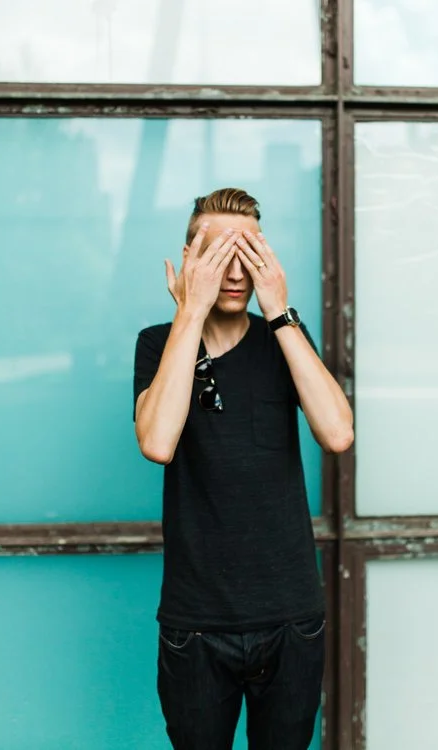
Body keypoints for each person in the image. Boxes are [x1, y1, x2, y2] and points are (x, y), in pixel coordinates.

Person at [133, 188, 354, 750]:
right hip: (196, 624)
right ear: (191, 259)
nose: (235, 273)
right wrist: (190, 313)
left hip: (291, 617)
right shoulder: (158, 344)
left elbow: (337, 433)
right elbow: (157, 442)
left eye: (248, 254)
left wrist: (280, 312)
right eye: (219, 254)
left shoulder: (285, 338)